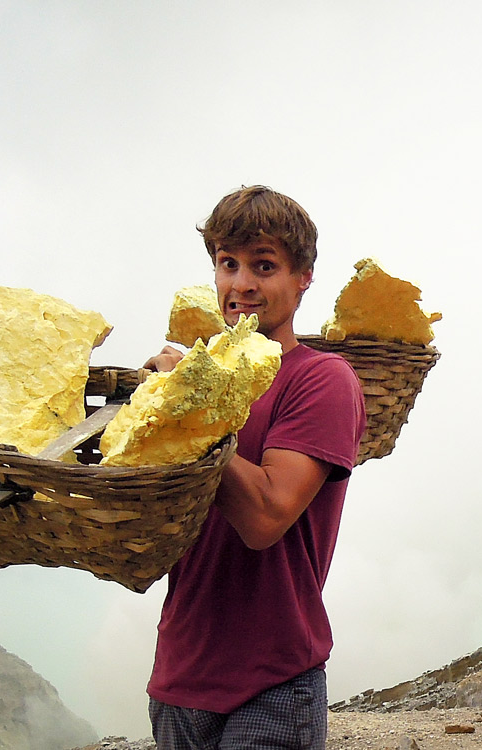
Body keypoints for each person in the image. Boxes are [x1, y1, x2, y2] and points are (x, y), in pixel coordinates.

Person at [144, 185, 367, 749]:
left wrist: (190, 404)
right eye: (228, 263)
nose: (241, 284)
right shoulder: (202, 374)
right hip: (177, 678)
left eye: (264, 266)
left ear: (303, 277)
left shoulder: (320, 380)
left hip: (271, 682)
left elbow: (266, 517)